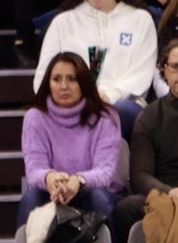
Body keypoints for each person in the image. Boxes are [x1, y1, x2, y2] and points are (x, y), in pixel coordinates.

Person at [36, 0, 158, 137]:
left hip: (123, 105)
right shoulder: (63, 22)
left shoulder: (140, 19)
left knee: (117, 112)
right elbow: (43, 76)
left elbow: (142, 73)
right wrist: (78, 98)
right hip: (73, 104)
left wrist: (109, 95)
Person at [18, 53, 124, 229]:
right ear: (48, 83)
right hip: (52, 192)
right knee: (31, 198)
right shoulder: (34, 118)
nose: (64, 86)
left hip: (93, 189)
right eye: (56, 79)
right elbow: (34, 170)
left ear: (84, 82)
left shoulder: (106, 117)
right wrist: (51, 178)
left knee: (98, 198)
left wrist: (78, 181)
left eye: (72, 79)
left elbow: (105, 172)